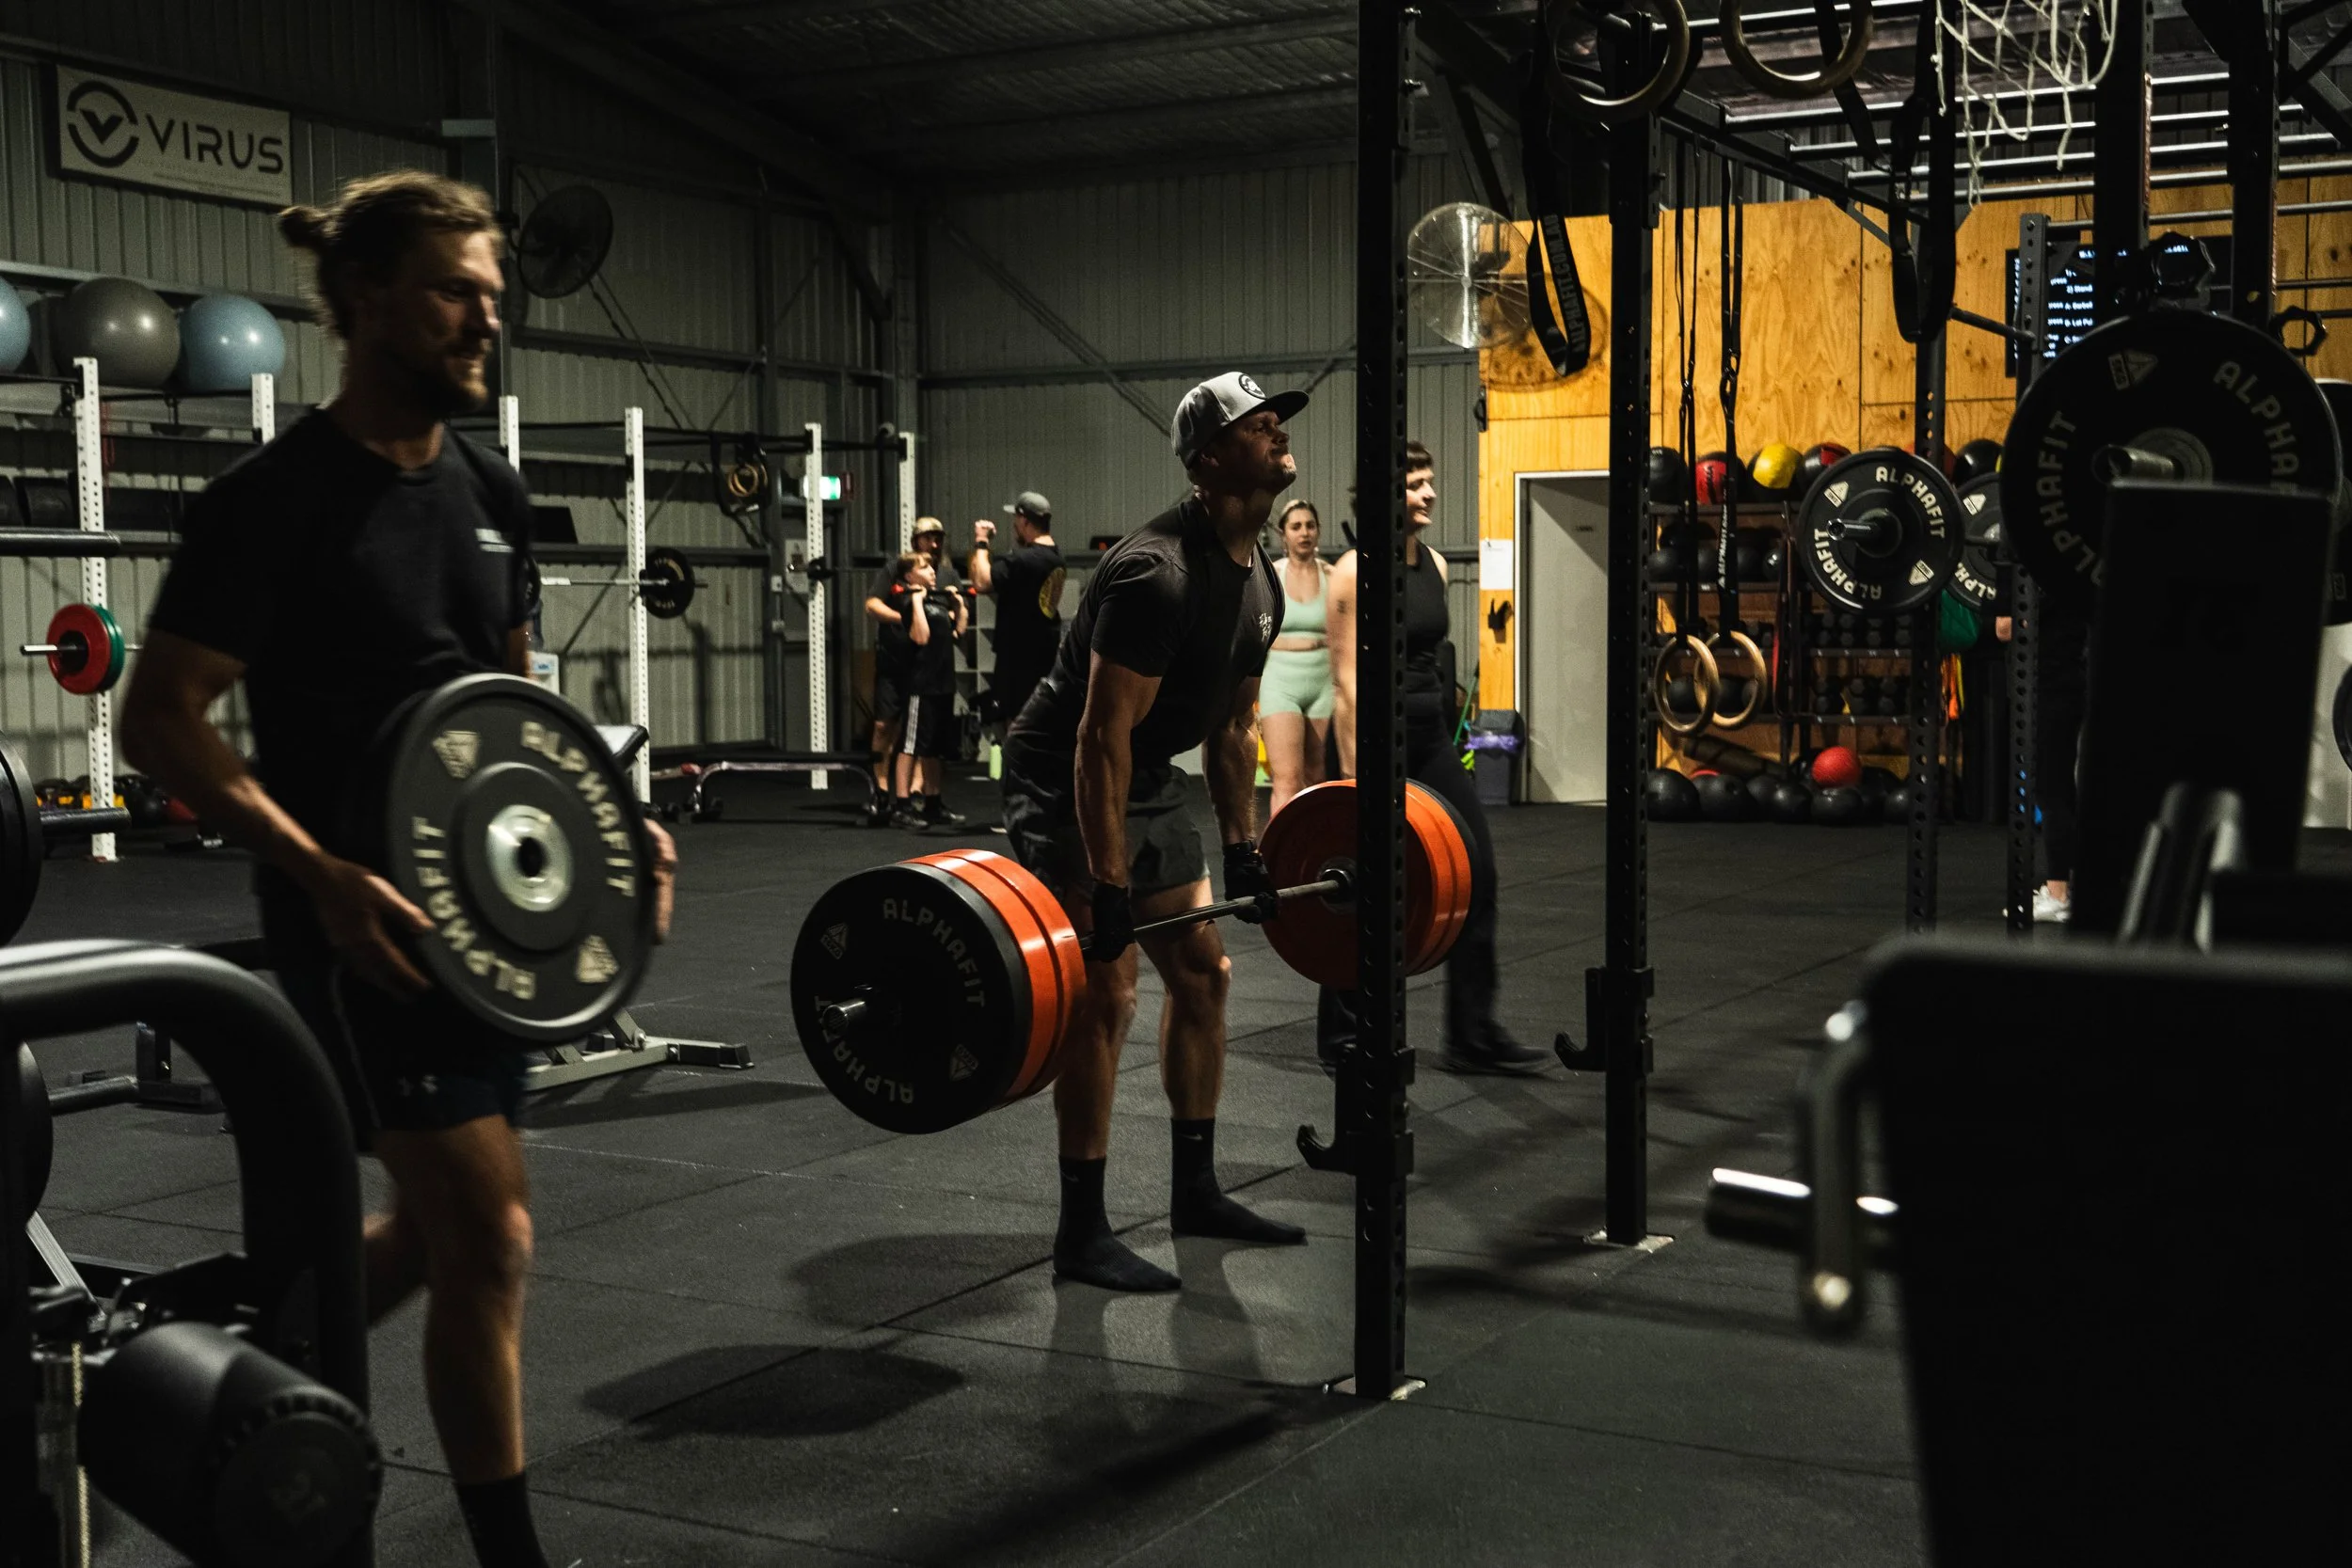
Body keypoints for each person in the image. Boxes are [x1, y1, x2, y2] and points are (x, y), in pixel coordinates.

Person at [118, 169, 675, 1568]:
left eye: (492, 296)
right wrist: (316, 871)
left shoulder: (490, 488)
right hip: (355, 929)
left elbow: (520, 713)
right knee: (489, 1233)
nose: (485, 319)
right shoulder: (275, 501)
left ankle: (194, 1382)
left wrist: (617, 829)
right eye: (452, 294)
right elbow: (161, 716)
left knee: (437, 1237)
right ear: (366, 299)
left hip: (484, 927)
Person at [1001, 371, 1306, 1292]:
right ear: (1208, 460)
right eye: (1256, 425)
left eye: (1275, 420)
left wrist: (1244, 847)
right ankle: (1081, 1231)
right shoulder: (1154, 574)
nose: (1276, 432)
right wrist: (1107, 885)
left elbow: (1233, 728)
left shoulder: (1260, 580)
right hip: (1064, 772)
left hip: (1147, 770)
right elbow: (1097, 741)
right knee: (1108, 989)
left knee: (1204, 972)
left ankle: (1195, 1192)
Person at [1323, 439, 1546, 1076]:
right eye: (1415, 483)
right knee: (1364, 887)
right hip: (1373, 742)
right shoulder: (1353, 570)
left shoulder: (1438, 565)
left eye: (1429, 481)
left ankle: (1472, 1034)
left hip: (1431, 739)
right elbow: (1347, 684)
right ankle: (1345, 1033)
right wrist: (1354, 783)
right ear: (1384, 494)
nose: (1429, 493)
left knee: (1477, 872)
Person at [1260, 499, 1333, 817]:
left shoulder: (1333, 575)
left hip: (1323, 684)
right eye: (1296, 527)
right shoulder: (1269, 576)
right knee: (1287, 780)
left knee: (1319, 777)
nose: (1304, 533)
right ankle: (1280, 848)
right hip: (1280, 683)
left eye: (1310, 526)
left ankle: (1319, 844)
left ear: (1318, 531)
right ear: (1283, 534)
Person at [969, 490, 1066, 729]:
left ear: (1024, 520)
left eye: (1016, 519)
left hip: (1018, 658)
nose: (1014, 525)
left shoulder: (1023, 560)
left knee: (1017, 724)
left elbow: (981, 582)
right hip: (1043, 652)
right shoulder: (1056, 558)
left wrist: (982, 541)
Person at [893, 550, 969, 830]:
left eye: (931, 567)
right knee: (910, 745)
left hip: (943, 684)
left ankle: (933, 803)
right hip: (921, 686)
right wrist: (916, 600)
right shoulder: (908, 602)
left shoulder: (935, 602)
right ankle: (902, 805)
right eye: (924, 568)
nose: (932, 571)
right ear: (909, 576)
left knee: (933, 748)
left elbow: (958, 632)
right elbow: (921, 636)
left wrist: (958, 605)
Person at [863, 567, 918, 826]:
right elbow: (872, 605)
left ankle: (915, 793)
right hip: (891, 665)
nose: (934, 546)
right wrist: (903, 618)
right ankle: (880, 791)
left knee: (914, 735)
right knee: (884, 727)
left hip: (922, 667)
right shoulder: (893, 571)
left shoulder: (945, 575)